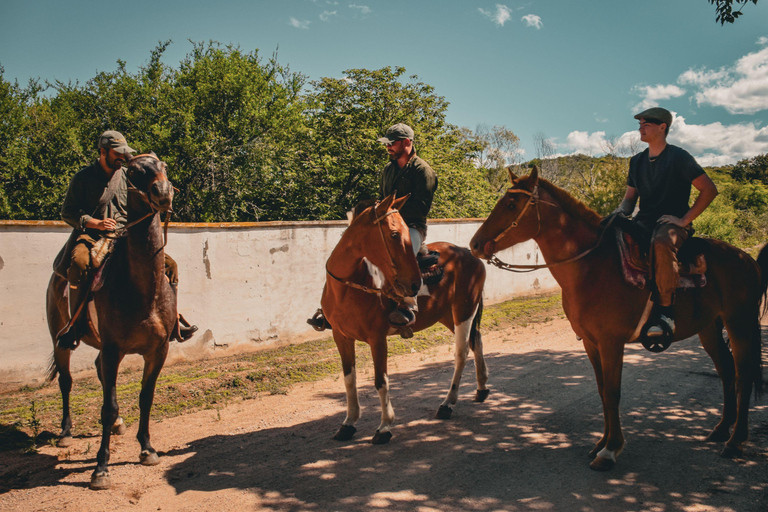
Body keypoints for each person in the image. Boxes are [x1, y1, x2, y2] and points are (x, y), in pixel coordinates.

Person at [55, 130, 197, 349]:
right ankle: (76, 324)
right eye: (117, 153)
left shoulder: (128, 176)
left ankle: (173, 321)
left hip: (125, 235)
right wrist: (95, 223)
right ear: (103, 152)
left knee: (170, 266)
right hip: (92, 236)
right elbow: (68, 212)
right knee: (79, 263)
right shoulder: (83, 178)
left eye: (124, 152)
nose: (123, 157)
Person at [613, 107, 718, 336]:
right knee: (608, 236)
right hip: (644, 221)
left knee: (661, 242)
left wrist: (684, 220)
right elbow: (629, 200)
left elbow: (709, 189)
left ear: (663, 127)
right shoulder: (636, 161)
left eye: (646, 123)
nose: (640, 127)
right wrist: (616, 214)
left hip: (671, 225)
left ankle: (666, 313)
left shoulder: (679, 157)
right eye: (639, 123)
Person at [376, 123, 438, 334]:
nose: (388, 148)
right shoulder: (387, 170)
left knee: (404, 252)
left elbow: (421, 208)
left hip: (412, 227)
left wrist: (393, 213)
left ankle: (408, 306)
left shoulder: (424, 171)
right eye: (387, 144)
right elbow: (382, 198)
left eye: (391, 144)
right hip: (386, 225)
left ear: (407, 143)